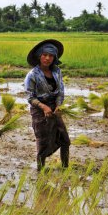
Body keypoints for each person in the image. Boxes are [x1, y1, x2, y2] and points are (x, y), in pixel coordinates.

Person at [24, 39, 70, 172]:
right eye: (44, 55)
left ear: (54, 57)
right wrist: (44, 107)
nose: (47, 58)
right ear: (39, 56)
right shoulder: (32, 75)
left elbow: (60, 91)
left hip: (54, 109)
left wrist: (58, 105)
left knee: (65, 140)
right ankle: (40, 170)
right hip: (39, 110)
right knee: (43, 142)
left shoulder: (57, 71)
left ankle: (65, 169)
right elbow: (30, 97)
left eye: (51, 55)